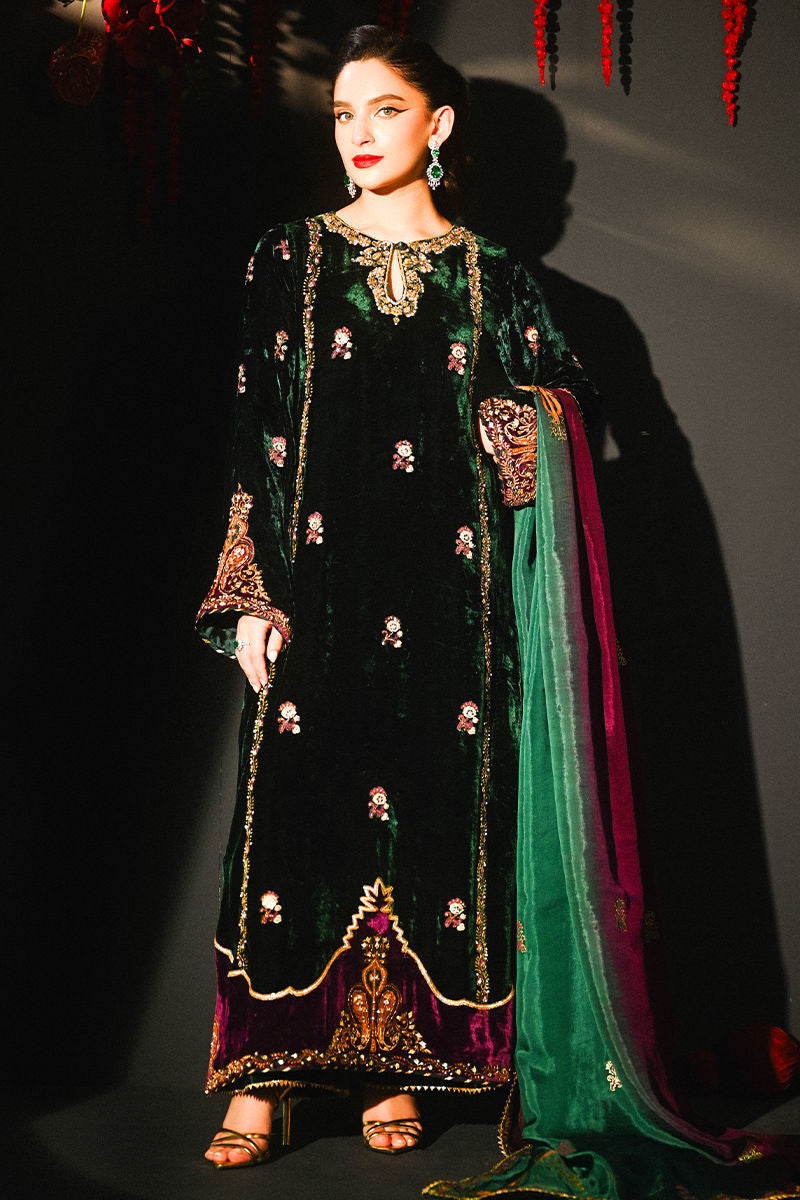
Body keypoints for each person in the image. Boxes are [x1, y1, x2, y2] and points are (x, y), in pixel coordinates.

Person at [196, 24, 799, 1197]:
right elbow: (253, 432)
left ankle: (394, 1075)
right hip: (320, 591)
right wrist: (247, 593)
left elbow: (571, 415)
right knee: (294, 828)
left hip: (453, 604)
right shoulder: (290, 257)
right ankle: (261, 1083)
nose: (357, 134)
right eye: (342, 114)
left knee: (430, 827)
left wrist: (521, 427)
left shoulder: (492, 276)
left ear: (437, 125)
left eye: (383, 110)